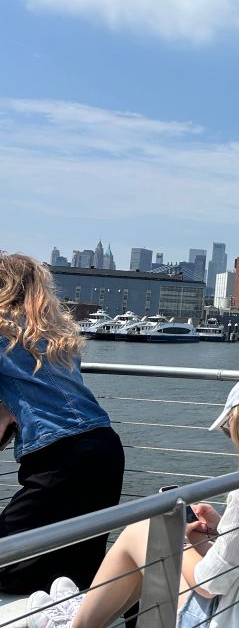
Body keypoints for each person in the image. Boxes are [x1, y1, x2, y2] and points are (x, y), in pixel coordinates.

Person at [28, 372, 239, 628]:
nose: (231, 438)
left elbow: (212, 583)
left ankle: (74, 624)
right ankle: (82, 616)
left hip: (236, 619)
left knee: (144, 531)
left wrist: (185, 543)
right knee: (153, 545)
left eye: (228, 429)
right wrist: (220, 530)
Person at [0, 253, 125, 594]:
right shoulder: (53, 332)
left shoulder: (3, 331)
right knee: (77, 565)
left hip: (61, 455)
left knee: (8, 555)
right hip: (104, 446)